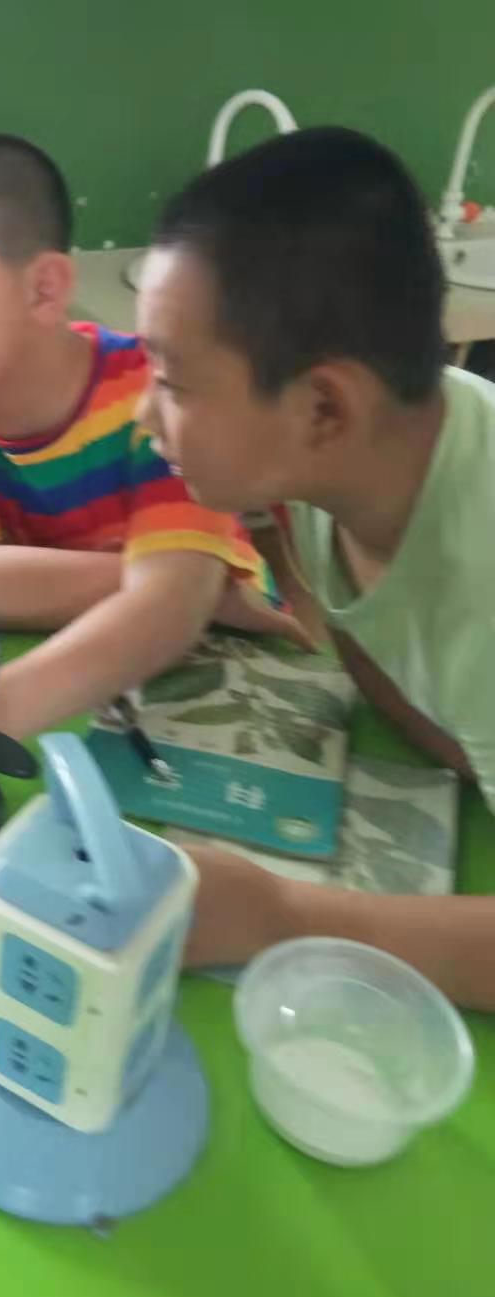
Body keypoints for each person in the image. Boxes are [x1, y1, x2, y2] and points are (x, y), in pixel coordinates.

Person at [0, 132, 298, 839]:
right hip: (78, 690)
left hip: (235, 690)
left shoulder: (156, 397)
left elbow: (166, 617)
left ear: (42, 288)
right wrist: (186, 591)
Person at [135, 125, 495, 1010]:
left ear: (324, 408)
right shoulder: (337, 471)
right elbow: (386, 669)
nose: (145, 418)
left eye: (173, 384)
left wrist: (279, 916)